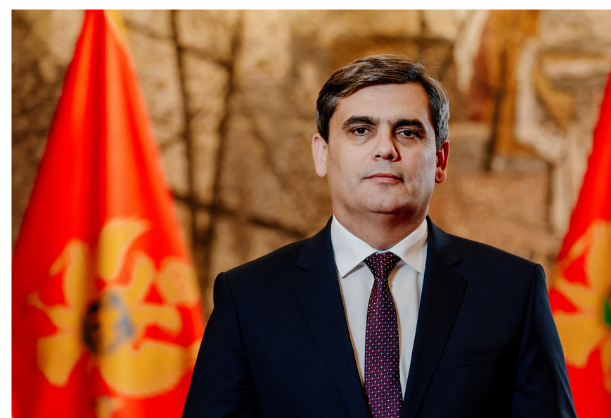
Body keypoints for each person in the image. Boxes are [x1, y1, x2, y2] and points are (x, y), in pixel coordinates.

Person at [183, 54, 576, 418]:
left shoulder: (513, 290)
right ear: (322, 154)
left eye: (407, 132)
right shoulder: (248, 298)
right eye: (360, 130)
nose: (385, 149)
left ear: (440, 160)